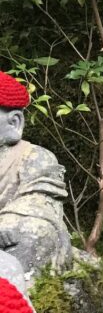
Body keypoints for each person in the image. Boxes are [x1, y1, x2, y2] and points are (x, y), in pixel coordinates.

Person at [0, 72, 72, 281]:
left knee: (35, 232)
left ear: (14, 123)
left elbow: (40, 204)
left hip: (11, 237)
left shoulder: (34, 157)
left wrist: (7, 223)